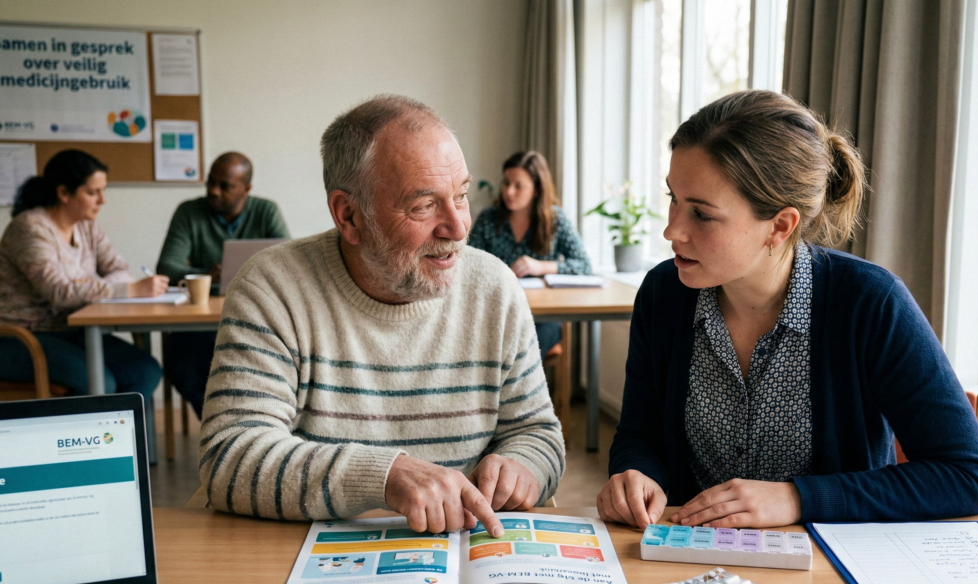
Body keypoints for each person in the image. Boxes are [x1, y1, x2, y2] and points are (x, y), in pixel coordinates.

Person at [597, 90, 978, 530]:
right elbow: (639, 433)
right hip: (691, 563)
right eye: (673, 199)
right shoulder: (663, 293)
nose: (673, 229)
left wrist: (797, 499)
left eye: (702, 215)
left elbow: (966, 476)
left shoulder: (870, 303)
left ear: (780, 226)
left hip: (831, 571)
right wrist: (635, 473)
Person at [198, 95, 565, 535]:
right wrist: (384, 476)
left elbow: (538, 433)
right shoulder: (271, 289)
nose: (459, 228)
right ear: (348, 215)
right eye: (425, 206)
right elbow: (229, 457)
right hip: (318, 568)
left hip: (467, 559)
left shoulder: (495, 288)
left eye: (462, 196)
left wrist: (523, 467)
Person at [0, 149, 168, 429]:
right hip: (20, 337)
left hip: (74, 329)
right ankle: (82, 458)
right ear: (64, 193)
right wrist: (126, 290)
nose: (102, 200)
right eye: (93, 192)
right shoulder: (29, 228)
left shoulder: (89, 227)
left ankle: (119, 451)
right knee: (100, 381)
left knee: (145, 371)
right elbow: (58, 292)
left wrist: (86, 286)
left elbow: (120, 270)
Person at [156, 152, 290, 419]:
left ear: (246, 189)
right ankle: (216, 425)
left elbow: (286, 263)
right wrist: (207, 274)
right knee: (183, 363)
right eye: (210, 182)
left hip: (253, 314)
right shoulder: (189, 212)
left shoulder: (266, 211)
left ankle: (247, 427)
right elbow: (167, 267)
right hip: (198, 322)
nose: (213, 191)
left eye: (225, 186)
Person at [468, 151, 591, 357]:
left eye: (518, 185)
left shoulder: (555, 220)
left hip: (543, 317)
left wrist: (541, 266)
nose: (509, 191)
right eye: (506, 183)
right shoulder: (489, 219)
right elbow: (469, 264)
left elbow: (584, 266)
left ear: (536, 189)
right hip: (498, 312)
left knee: (525, 348)